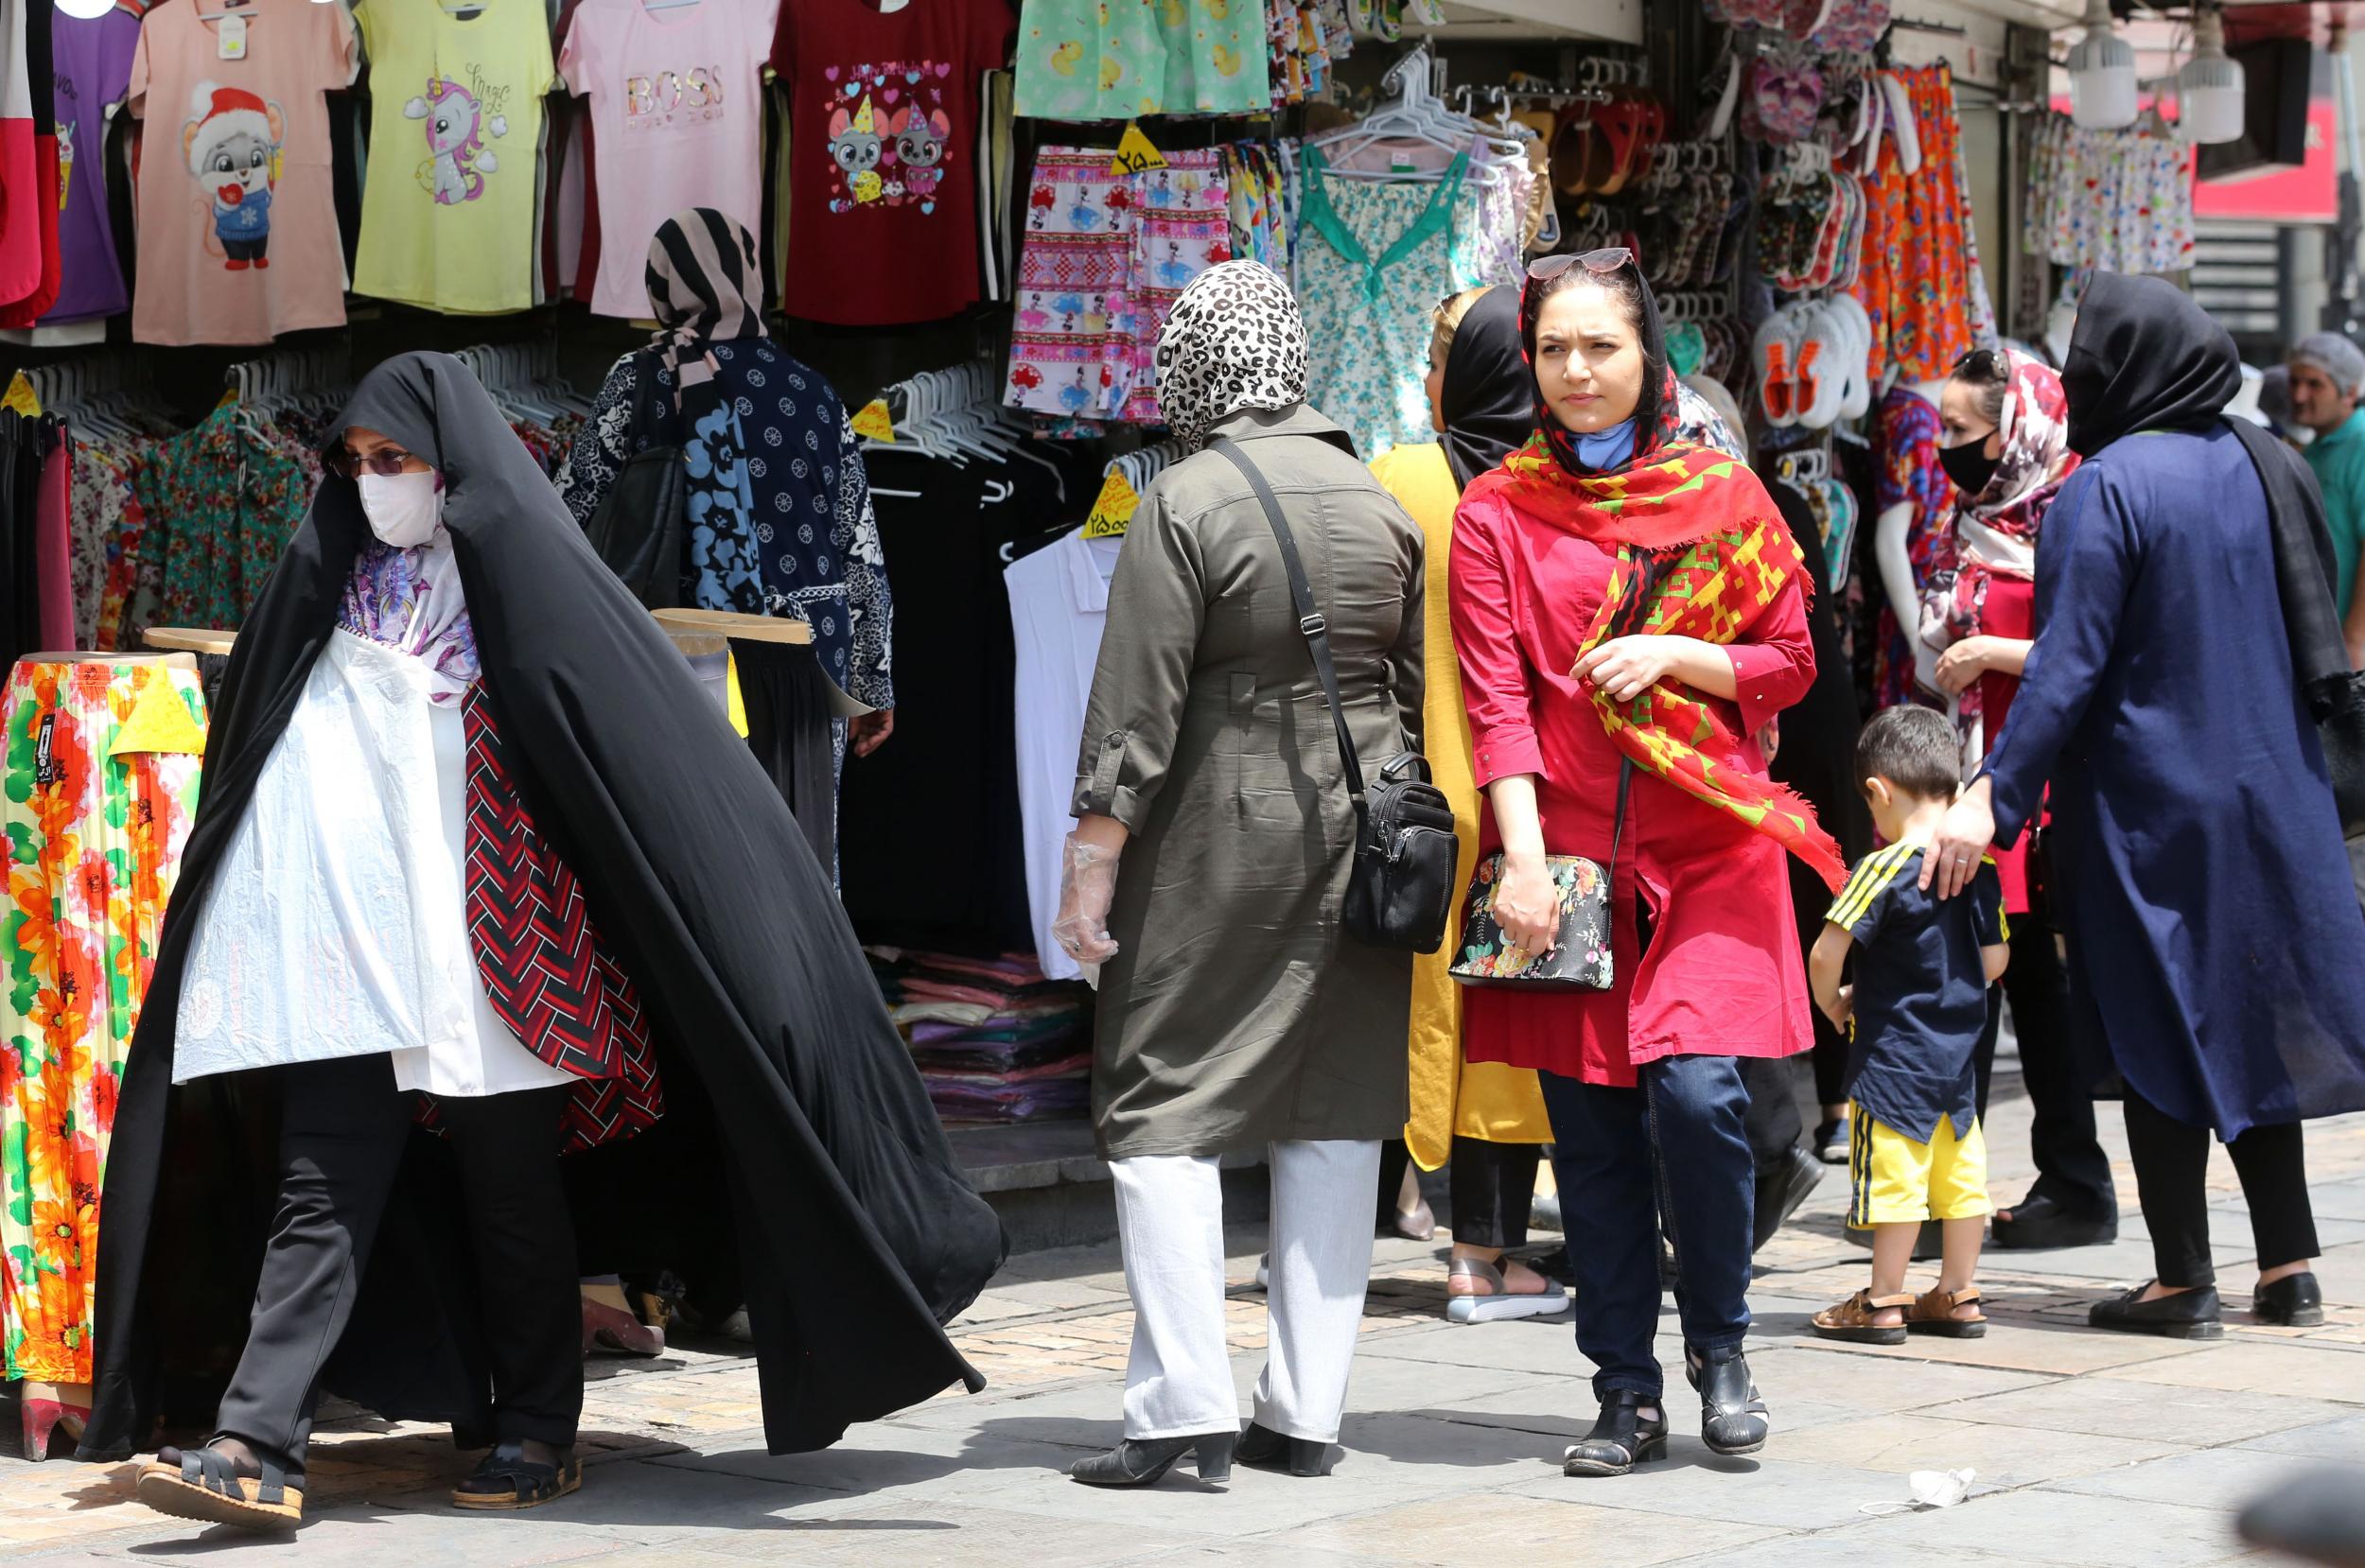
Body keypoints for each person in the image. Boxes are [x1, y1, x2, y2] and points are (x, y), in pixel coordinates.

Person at [85, 354, 1006, 1531]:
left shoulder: (527, 585)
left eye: (395, 460)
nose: (373, 484)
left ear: (451, 463)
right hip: (347, 948)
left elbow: (641, 756)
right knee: (323, 1179)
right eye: (356, 463)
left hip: (495, 945)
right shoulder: (320, 585)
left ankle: (535, 1423)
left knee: (507, 1185)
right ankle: (256, 1442)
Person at [1448, 249, 1843, 1479]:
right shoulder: (1494, 512)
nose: (1575, 370)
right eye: (1552, 349)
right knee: (1591, 1134)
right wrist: (1519, 862)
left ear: (1647, 354)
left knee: (1700, 1099)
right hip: (1563, 857)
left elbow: (1790, 658)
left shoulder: (1724, 494)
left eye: (1600, 346)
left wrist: (1675, 653)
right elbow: (1497, 704)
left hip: (1712, 843)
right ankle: (1623, 1388)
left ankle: (1721, 1346)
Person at [1926, 273, 2365, 1338]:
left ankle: (2181, 1277)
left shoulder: (2106, 486)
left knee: (2149, 1013)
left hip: (2147, 801)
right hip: (2275, 786)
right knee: (2250, 1010)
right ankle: (2288, 1265)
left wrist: (1992, 794)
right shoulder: (2266, 458)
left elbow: (2069, 665)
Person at [1052, 262, 1425, 1487]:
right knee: (1334, 1107)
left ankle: (1182, 1405)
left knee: (1159, 1097)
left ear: (1193, 367)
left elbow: (1136, 706)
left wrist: (1090, 868)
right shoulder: (1381, 501)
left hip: (1217, 829)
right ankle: (1304, 1412)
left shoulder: (1185, 499)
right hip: (1362, 829)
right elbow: (1407, 693)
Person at [557, 209, 896, 820]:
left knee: (690, 832)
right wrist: (873, 685)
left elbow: (570, 513)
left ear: (662, 287)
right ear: (752, 277)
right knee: (800, 835)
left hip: (683, 645)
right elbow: (860, 551)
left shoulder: (640, 380)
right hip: (809, 651)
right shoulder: (813, 392)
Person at [1370, 285, 1564, 1324]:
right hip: (1528, 800)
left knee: (1394, 1009)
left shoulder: (1401, 475)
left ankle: (1335, 1239)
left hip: (1411, 801)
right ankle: (1483, 1258)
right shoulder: (1556, 487)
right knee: (1506, 1024)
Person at [1920, 346, 2119, 1250]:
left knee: (2010, 991)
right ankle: (1997, 1190)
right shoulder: (1973, 517)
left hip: (2037, 792)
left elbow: (2105, 651)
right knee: (1991, 988)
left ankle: (2041, 1189)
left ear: (2019, 428)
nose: (1948, 447)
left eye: (1963, 429)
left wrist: (1994, 653)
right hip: (1973, 782)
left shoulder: (2078, 512)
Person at [1808, 706, 2006, 1344]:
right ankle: (1957, 1294)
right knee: (1962, 1180)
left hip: (1889, 1060)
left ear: (1879, 791)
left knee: (1893, 1182)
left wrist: (1835, 1003)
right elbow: (1995, 962)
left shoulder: (1881, 868)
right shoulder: (1981, 869)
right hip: (1958, 1061)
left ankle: (1883, 1301)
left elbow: (1826, 954)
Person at [2286, 332, 2365, 664]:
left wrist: (2356, 639)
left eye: (2315, 385)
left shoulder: (2361, 441)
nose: (2299, 395)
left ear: (2350, 393)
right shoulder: (2317, 448)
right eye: (2294, 381)